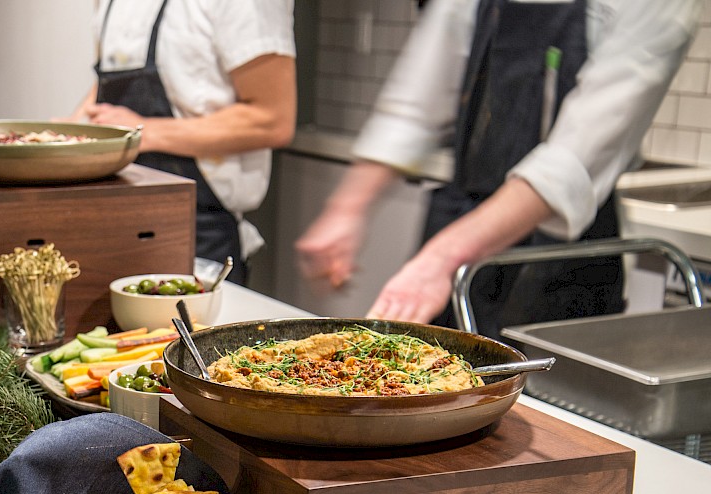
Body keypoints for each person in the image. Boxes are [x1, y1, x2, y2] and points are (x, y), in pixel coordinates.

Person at [295, 0, 700, 339]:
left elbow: (573, 160)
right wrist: (347, 208)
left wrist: (442, 259)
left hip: (559, 258)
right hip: (459, 225)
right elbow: (417, 100)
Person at [69, 0, 297, 285]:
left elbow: (273, 119)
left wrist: (144, 132)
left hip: (200, 235)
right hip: (113, 223)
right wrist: (70, 132)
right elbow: (110, 81)